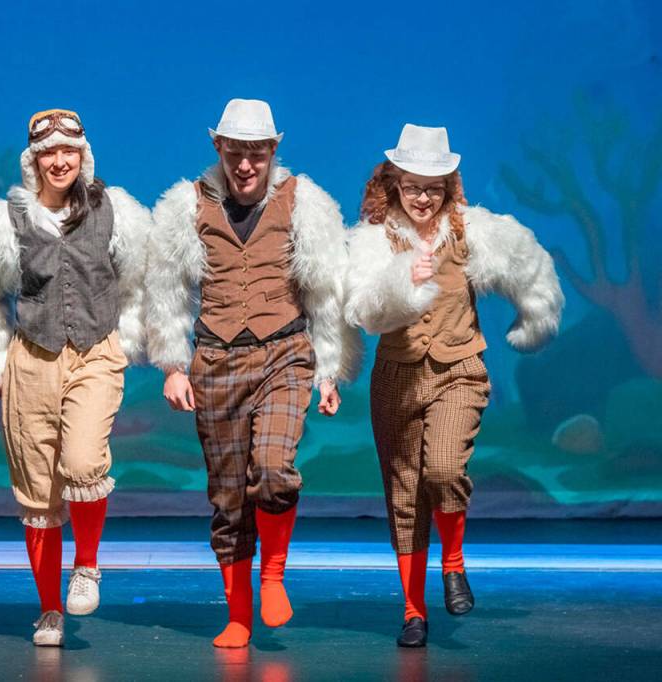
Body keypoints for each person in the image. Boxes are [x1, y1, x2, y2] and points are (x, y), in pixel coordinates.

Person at [146, 99, 360, 648]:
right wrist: (172, 365)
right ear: (218, 147)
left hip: (283, 353)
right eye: (236, 153)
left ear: (273, 151)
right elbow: (166, 290)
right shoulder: (187, 205)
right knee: (228, 497)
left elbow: (325, 291)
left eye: (257, 154)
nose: (245, 165)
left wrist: (329, 370)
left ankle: (273, 576)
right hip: (216, 360)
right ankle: (238, 616)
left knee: (272, 468)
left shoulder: (303, 203)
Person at [344, 124, 564, 647]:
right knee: (404, 494)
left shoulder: (471, 230)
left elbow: (530, 267)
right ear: (394, 183)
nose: (423, 198)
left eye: (434, 188)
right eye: (413, 187)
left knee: (443, 469)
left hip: (458, 369)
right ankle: (413, 612)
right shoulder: (373, 239)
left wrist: (533, 319)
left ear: (449, 187)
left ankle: (454, 563)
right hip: (397, 376)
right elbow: (362, 310)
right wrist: (402, 281)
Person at [0, 109, 150, 647]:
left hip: (95, 352)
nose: (60, 161)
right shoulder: (4, 222)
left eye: (70, 151)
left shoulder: (115, 210)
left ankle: (86, 564)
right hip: (32, 358)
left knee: (84, 462)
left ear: (84, 156)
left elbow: (137, 282)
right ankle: (49, 609)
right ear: (33, 161)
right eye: (49, 153)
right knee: (39, 495)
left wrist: (125, 339)